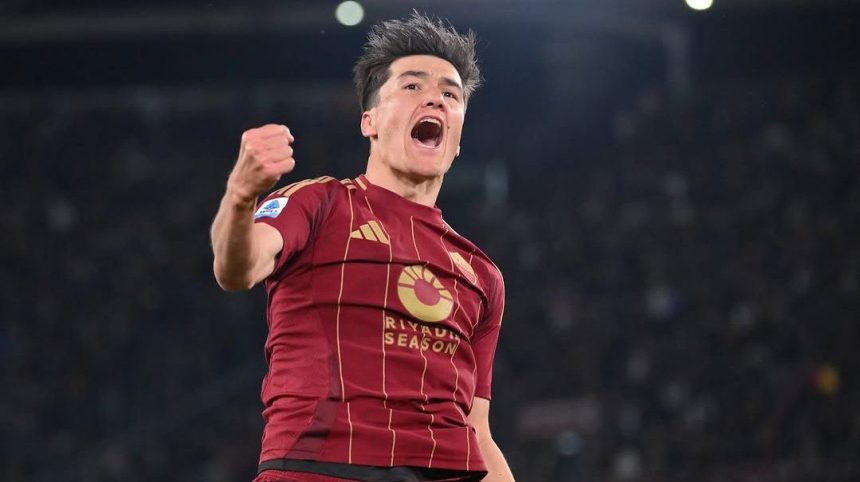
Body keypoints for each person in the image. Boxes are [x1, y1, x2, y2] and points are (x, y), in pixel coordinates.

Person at [210, 12, 514, 482]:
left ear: (457, 140)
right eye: (412, 86)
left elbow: (477, 429)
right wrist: (240, 195)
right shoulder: (319, 203)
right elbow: (237, 267)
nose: (435, 97)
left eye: (451, 94)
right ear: (369, 121)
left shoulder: (481, 273)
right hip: (318, 469)